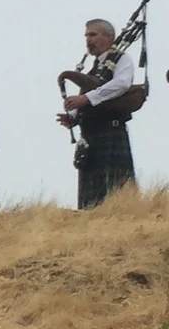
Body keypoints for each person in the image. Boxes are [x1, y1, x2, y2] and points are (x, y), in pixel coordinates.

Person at [57, 17, 141, 208]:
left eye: (93, 35)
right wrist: (73, 117)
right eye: (87, 35)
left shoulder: (121, 59)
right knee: (92, 200)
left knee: (117, 193)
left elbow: (121, 84)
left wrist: (86, 98)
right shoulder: (96, 68)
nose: (89, 39)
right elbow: (92, 94)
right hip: (90, 136)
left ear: (109, 36)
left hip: (110, 132)